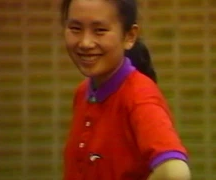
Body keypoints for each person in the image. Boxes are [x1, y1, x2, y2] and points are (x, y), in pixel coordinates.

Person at [61, 0, 191, 179]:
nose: (85, 43)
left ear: (129, 36)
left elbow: (175, 173)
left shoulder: (138, 96)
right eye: (75, 28)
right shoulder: (83, 93)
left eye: (100, 30)